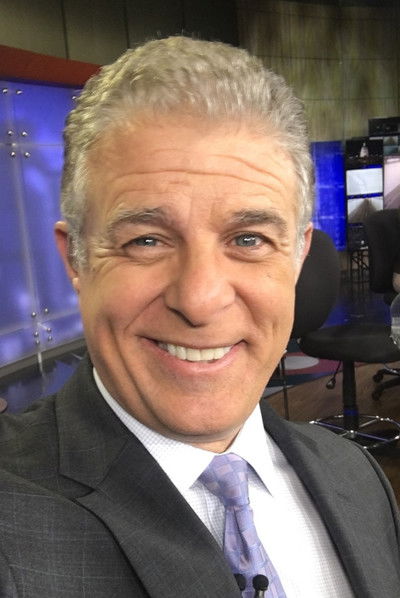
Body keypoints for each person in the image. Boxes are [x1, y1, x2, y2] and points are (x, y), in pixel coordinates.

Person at [0, 36, 399, 598]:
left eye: (249, 238)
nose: (200, 299)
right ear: (77, 261)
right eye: (145, 240)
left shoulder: (355, 476)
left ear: (297, 256)